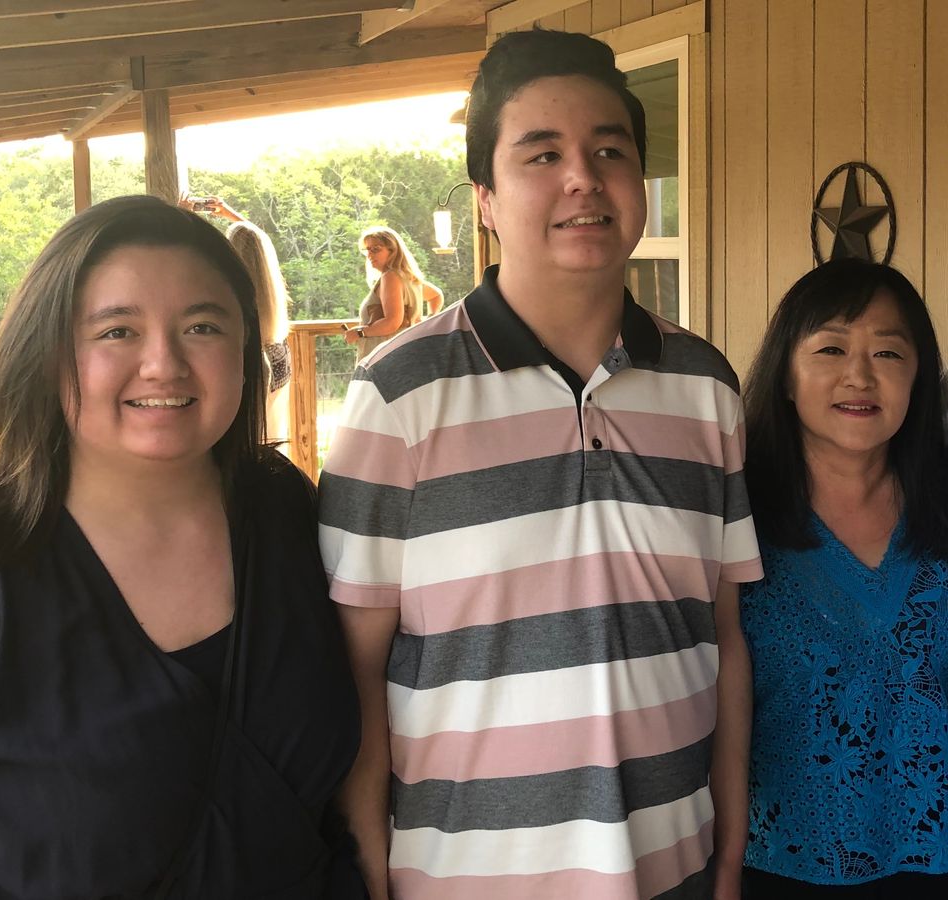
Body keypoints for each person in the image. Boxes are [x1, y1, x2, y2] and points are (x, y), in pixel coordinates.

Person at [318, 28, 762, 900]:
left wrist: (729, 852)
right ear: (485, 197)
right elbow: (354, 670)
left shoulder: (706, 387)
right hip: (464, 879)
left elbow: (725, 635)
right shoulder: (398, 395)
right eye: (543, 154)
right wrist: (371, 863)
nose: (583, 179)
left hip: (671, 865)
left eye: (610, 151)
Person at [0, 195, 364, 899]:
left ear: (247, 351)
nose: (163, 364)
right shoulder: (10, 551)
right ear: (47, 354)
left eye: (202, 326)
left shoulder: (281, 508)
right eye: (117, 331)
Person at [728, 259, 948, 899]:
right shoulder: (732, 512)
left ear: (918, 375)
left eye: (889, 353)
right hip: (775, 869)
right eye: (831, 349)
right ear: (786, 373)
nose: (860, 376)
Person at [180, 195, 292, 447]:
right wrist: (231, 215)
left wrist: (182, 218)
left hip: (249, 364)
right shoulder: (271, 297)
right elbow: (256, 244)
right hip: (276, 358)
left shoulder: (227, 295)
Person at [344, 226, 443, 362]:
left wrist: (359, 332)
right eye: (367, 250)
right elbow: (436, 295)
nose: (370, 255)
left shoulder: (390, 276)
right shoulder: (407, 277)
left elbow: (392, 322)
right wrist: (428, 322)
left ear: (393, 250)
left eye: (376, 249)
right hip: (403, 352)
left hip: (385, 357)